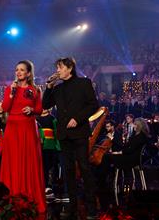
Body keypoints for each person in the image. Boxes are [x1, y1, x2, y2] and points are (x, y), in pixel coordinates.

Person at [42, 57, 99, 219]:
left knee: (84, 168)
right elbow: (45, 105)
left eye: (60, 67)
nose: (57, 70)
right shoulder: (58, 88)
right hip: (63, 134)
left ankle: (91, 207)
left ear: (69, 68)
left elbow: (93, 105)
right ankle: (71, 206)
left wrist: (78, 118)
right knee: (68, 171)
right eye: (57, 68)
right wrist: (48, 87)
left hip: (79, 132)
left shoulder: (84, 83)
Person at [0, 60, 46, 213]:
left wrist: (31, 109)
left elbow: (39, 109)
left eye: (21, 70)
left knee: (28, 160)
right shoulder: (9, 89)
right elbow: (5, 108)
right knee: (13, 161)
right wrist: (12, 93)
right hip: (12, 127)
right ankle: (11, 198)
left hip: (28, 127)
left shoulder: (35, 89)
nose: (18, 72)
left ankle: (30, 197)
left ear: (28, 73)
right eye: (16, 70)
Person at [37, 109, 61, 198]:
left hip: (50, 147)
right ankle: (43, 185)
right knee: (42, 168)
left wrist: (57, 147)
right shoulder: (36, 119)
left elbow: (56, 133)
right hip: (40, 148)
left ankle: (49, 186)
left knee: (50, 167)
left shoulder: (53, 119)